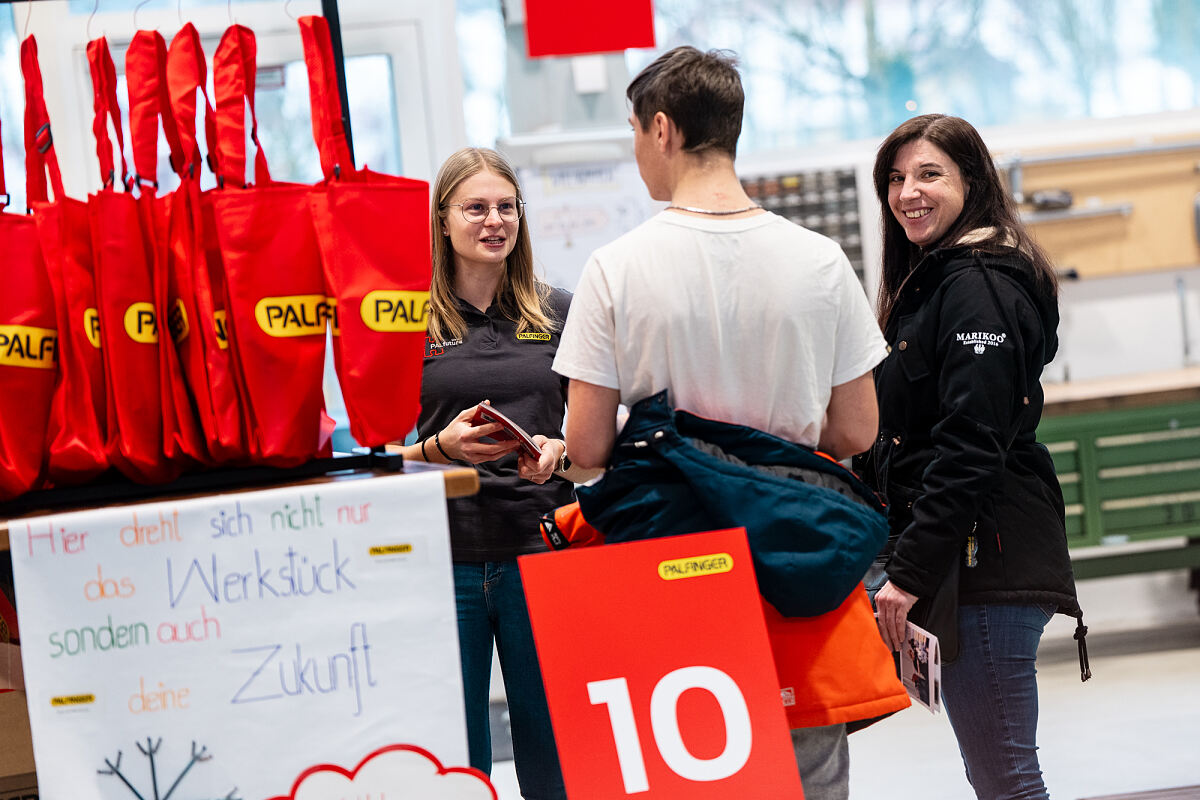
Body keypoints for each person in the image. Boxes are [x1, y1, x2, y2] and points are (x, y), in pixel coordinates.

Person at [552, 46, 906, 800]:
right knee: (806, 764)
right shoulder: (818, 261)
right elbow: (856, 432)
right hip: (794, 550)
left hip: (666, 561)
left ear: (661, 129)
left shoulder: (616, 268)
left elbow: (584, 451)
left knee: (688, 768)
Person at [863, 113, 1088, 800]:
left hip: (986, 559)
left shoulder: (977, 286)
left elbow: (969, 446)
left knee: (1008, 777)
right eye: (897, 179)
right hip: (969, 557)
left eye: (930, 174)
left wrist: (908, 572)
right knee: (999, 772)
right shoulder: (938, 280)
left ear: (973, 182)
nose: (909, 193)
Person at [392, 146, 594, 800]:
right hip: (440, 559)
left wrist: (559, 451)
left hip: (540, 552)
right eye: (475, 208)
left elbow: (595, 439)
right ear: (442, 220)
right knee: (456, 755)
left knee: (553, 748)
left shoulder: (560, 311)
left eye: (506, 207)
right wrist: (437, 450)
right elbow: (373, 461)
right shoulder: (405, 321)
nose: (494, 221)